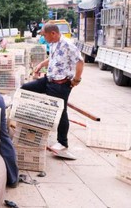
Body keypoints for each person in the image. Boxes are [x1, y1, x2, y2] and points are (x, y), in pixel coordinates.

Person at [21, 23, 84, 159]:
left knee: (61, 112)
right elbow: (54, 58)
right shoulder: (53, 43)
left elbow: (80, 61)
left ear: (53, 34)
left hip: (60, 85)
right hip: (48, 80)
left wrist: (77, 79)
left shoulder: (67, 44)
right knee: (25, 89)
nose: (44, 38)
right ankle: (28, 120)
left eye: (45, 35)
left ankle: (63, 143)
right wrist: (41, 64)